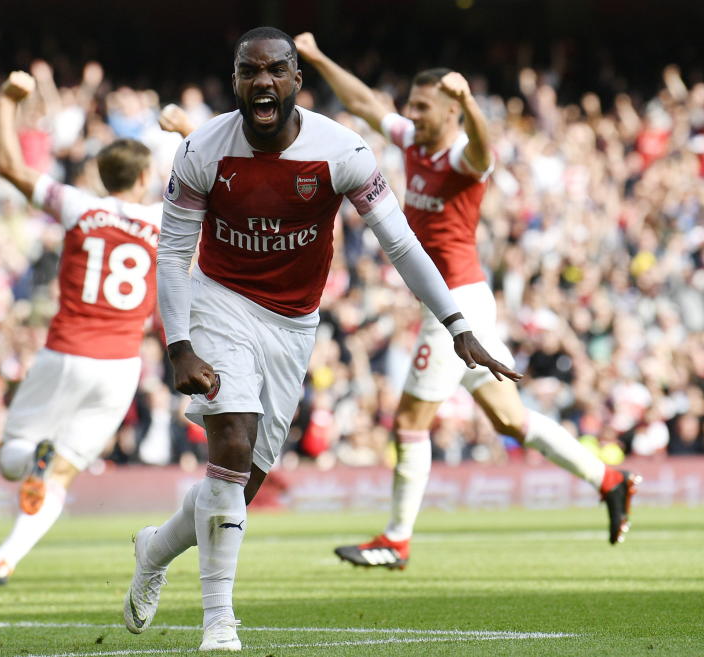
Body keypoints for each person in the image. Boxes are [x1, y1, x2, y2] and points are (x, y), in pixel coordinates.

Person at [123, 27, 520, 652]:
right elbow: (172, 252)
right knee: (231, 439)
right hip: (219, 300)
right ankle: (218, 624)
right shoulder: (201, 150)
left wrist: (459, 325)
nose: (263, 83)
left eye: (276, 71)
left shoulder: (342, 151)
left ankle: (157, 548)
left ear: (294, 81)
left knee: (242, 483)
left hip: (293, 323)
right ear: (235, 82)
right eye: (249, 72)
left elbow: (400, 243)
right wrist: (178, 345)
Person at [293, 32, 641, 570]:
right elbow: (364, 103)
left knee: (410, 420)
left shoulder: (461, 153)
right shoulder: (414, 139)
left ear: (452, 109)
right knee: (509, 420)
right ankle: (610, 479)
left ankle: (396, 540)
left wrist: (474, 104)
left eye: (423, 106)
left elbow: (485, 151)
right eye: (411, 104)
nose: (411, 114)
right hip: (459, 298)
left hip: (456, 307)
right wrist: (315, 58)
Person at [0, 71, 183, 585]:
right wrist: (185, 133)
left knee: (10, 459)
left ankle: (25, 487)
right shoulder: (164, 218)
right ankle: (4, 558)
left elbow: (7, 165)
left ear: (101, 176)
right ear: (142, 179)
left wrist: (6, 102)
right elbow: (222, 189)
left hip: (64, 352)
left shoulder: (78, 205)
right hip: (119, 366)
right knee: (62, 472)